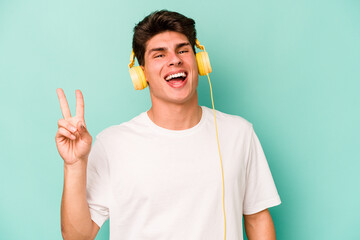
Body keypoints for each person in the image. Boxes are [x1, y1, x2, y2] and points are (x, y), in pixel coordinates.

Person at [56, 10, 281, 240]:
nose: (175, 59)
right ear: (141, 74)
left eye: (183, 50)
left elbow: (258, 219)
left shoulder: (239, 133)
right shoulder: (112, 143)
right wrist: (74, 165)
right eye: (159, 55)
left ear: (200, 62)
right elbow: (77, 237)